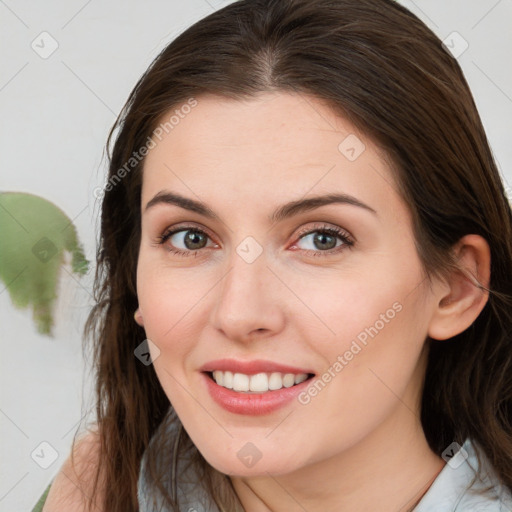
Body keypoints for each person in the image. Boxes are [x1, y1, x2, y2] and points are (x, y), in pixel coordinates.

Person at [40, 0, 512, 511]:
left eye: (322, 239)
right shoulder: (90, 486)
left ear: (457, 288)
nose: (239, 313)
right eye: (190, 238)